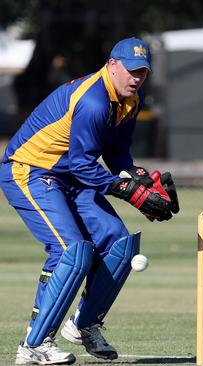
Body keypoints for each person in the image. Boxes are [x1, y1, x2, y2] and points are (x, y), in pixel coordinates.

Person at [1, 37, 180, 365]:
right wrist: (127, 192)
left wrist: (141, 180)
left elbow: (117, 153)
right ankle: (34, 344)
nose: (136, 78)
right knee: (73, 251)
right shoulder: (95, 100)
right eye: (131, 70)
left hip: (69, 176)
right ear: (112, 65)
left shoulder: (130, 100)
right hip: (29, 170)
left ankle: (84, 325)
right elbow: (85, 164)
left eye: (142, 72)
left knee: (121, 244)